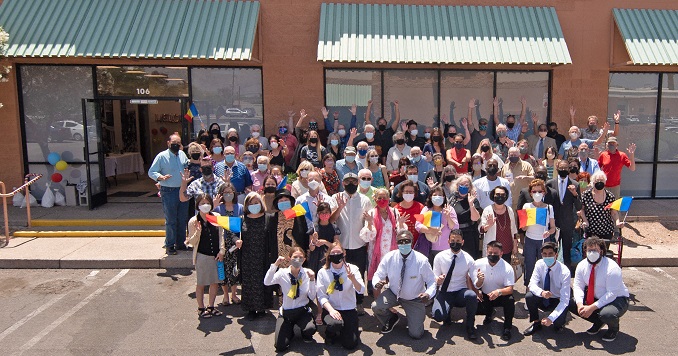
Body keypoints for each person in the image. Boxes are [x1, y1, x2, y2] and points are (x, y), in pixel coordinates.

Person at [371, 230, 437, 338]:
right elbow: (378, 274)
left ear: (411, 242)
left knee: (416, 334)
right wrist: (377, 283)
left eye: (407, 241)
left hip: (414, 299)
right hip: (394, 294)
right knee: (376, 306)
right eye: (401, 241)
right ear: (397, 243)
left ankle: (414, 318)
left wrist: (428, 294)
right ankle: (392, 318)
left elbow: (431, 281)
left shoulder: (421, 260)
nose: (404, 244)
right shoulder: (389, 257)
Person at [572, 238, 630, 342]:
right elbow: (578, 286)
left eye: (595, 250)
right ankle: (598, 322)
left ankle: (613, 329)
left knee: (607, 314)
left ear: (601, 251)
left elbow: (612, 293)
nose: (592, 253)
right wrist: (580, 304)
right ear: (585, 251)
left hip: (617, 299)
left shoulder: (612, 268)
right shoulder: (582, 265)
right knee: (571, 302)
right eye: (589, 250)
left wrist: (591, 308)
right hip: (596, 297)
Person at [330, 172, 373, 313]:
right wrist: (340, 207)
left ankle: (359, 302)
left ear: (358, 183)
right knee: (341, 274)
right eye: (347, 181)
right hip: (341, 246)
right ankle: (341, 302)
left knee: (359, 273)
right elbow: (330, 220)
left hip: (358, 245)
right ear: (343, 183)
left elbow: (368, 221)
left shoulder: (365, 200)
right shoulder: (336, 198)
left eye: (354, 182)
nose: (351, 184)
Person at [264, 248, 317, 351]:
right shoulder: (283, 273)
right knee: (280, 346)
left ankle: (304, 332)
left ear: (304, 259)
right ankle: (290, 331)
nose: (297, 259)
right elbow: (267, 282)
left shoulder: (307, 273)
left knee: (310, 329)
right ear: (289, 258)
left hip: (302, 311)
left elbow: (312, 296)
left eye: (300, 257)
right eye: (295, 257)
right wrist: (275, 265)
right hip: (287, 312)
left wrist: (312, 280)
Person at [316, 242, 365, 349]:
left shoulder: (353, 269)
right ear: (329, 255)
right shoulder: (323, 272)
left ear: (344, 253)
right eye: (333, 252)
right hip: (332, 309)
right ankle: (330, 333)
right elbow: (321, 296)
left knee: (350, 344)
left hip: (349, 309)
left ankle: (347, 328)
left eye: (339, 252)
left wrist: (353, 279)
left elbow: (361, 290)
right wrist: (331, 310)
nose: (336, 254)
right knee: (334, 324)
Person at [431, 229, 478, 339]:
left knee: (471, 295)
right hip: (445, 292)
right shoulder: (439, 257)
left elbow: (476, 282)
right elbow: (434, 276)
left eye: (458, 240)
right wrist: (438, 280)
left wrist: (479, 280)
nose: (455, 243)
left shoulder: (468, 259)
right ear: (448, 241)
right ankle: (446, 314)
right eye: (453, 240)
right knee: (438, 316)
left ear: (462, 242)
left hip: (460, 292)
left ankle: (470, 325)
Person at [148, 133, 189, 255]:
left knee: (182, 218)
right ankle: (170, 244)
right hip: (169, 191)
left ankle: (180, 243)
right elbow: (151, 171)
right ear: (168, 143)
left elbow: (187, 166)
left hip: (182, 190)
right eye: (174, 143)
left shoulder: (182, 154)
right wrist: (160, 177)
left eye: (178, 143)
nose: (176, 145)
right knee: (171, 219)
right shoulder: (162, 156)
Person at [186, 194, 226, 318]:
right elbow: (191, 243)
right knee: (201, 283)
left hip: (215, 255)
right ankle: (201, 307)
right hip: (202, 255)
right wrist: (197, 233)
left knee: (214, 282)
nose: (205, 205)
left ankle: (211, 306)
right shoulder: (194, 220)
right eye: (202, 203)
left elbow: (221, 235)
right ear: (198, 205)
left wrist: (222, 251)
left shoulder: (216, 217)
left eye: (207, 203)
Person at [471, 241, 516, 341]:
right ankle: (486, 316)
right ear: (486, 252)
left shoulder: (507, 268)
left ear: (501, 253)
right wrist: (478, 285)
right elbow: (470, 279)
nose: (492, 255)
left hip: (499, 296)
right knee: (472, 303)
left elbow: (510, 289)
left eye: (495, 253)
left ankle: (507, 328)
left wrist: (498, 292)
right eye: (490, 253)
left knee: (510, 300)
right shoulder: (478, 263)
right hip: (484, 295)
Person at [362, 188, 407, 289]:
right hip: (375, 250)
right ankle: (373, 292)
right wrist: (369, 223)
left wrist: (400, 223)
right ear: (375, 199)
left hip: (392, 251)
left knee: (392, 272)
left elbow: (401, 233)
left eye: (384, 198)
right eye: (379, 198)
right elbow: (368, 237)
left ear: (389, 199)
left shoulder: (395, 212)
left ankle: (392, 292)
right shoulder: (371, 213)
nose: (382, 200)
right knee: (375, 275)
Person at [523, 242, 571, 336]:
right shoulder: (539, 264)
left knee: (558, 324)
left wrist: (551, 318)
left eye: (550, 254)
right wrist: (542, 293)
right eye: (544, 254)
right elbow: (531, 284)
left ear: (556, 255)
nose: (547, 256)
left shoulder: (565, 272)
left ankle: (558, 324)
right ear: (541, 255)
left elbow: (565, 300)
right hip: (543, 296)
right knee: (529, 296)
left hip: (556, 299)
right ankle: (536, 323)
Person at [239, 192, 273, 319]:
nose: (254, 205)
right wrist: (237, 241)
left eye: (256, 202)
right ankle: (250, 309)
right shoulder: (242, 218)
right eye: (251, 203)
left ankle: (262, 308)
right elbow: (234, 234)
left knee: (263, 281)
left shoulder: (268, 218)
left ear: (261, 203)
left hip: (263, 255)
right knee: (249, 282)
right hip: (247, 256)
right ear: (247, 205)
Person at [520, 179, 557, 288]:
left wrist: (548, 232)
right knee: (529, 265)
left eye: (540, 191)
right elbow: (523, 228)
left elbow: (553, 228)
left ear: (544, 192)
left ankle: (543, 287)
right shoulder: (526, 206)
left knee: (544, 265)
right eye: (534, 191)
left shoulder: (549, 207)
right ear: (530, 193)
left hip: (544, 240)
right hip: (530, 240)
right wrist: (527, 223)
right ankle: (529, 288)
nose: (537, 194)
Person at [308, 202, 340, 324]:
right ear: (318, 214)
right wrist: (314, 241)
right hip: (316, 258)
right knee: (318, 285)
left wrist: (325, 242)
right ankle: (320, 312)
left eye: (326, 212)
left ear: (330, 213)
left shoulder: (334, 227)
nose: (324, 215)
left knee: (330, 283)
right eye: (321, 213)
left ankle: (332, 308)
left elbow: (336, 246)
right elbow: (310, 248)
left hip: (329, 258)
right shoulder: (314, 227)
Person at [212, 183, 243, 305]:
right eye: (225, 193)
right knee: (223, 269)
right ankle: (225, 295)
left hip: (236, 243)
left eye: (230, 192)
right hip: (222, 244)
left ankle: (234, 294)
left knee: (235, 269)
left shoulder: (239, 207)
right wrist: (213, 207)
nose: (228, 195)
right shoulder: (218, 209)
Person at [547, 160, 582, 267]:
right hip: (554, 222)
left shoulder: (575, 184)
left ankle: (567, 272)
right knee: (552, 248)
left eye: (565, 168)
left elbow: (579, 206)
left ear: (568, 169)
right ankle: (551, 269)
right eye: (561, 168)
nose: (563, 170)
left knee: (567, 248)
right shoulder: (550, 184)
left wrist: (575, 194)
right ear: (557, 169)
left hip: (568, 222)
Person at [415, 186, 458, 264]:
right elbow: (417, 225)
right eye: (435, 195)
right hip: (429, 248)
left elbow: (455, 227)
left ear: (444, 197)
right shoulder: (426, 209)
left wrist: (448, 217)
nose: (437, 197)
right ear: (431, 197)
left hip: (445, 248)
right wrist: (431, 230)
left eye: (440, 195)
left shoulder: (450, 209)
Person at [268, 189, 309, 268]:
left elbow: (304, 234)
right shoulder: (273, 217)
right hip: (279, 258)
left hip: (297, 256)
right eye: (281, 201)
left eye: (286, 200)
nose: (283, 202)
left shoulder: (298, 215)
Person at [580, 171, 624, 241]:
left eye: (601, 180)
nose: (599, 182)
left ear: (605, 182)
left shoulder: (610, 196)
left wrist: (617, 222)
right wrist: (585, 221)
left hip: (606, 231)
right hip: (590, 231)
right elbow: (581, 210)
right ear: (593, 182)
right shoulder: (586, 195)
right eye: (597, 180)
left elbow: (614, 212)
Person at [479, 186, 518, 260]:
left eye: (503, 195)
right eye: (497, 194)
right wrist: (488, 225)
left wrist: (515, 245)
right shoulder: (487, 210)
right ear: (493, 195)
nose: (500, 197)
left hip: (507, 248)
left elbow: (514, 230)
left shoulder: (509, 210)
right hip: (493, 250)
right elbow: (481, 230)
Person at [449, 175, 482, 259]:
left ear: (470, 187)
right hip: (454, 234)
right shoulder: (452, 199)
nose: (464, 186)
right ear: (457, 185)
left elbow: (475, 218)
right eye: (462, 184)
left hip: (469, 235)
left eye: (467, 185)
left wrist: (471, 205)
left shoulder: (474, 200)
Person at [501, 146, 535, 213]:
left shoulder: (526, 165)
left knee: (522, 221)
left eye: (515, 155)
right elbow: (501, 182)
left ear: (519, 155)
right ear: (508, 155)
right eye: (511, 155)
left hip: (522, 200)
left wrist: (525, 177)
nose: (513, 156)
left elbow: (534, 178)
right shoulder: (505, 167)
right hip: (509, 201)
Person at [392, 180, 424, 245]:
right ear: (402, 193)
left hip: (417, 245)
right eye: (406, 192)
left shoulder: (420, 207)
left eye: (411, 192)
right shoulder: (395, 209)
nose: (408, 194)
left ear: (414, 193)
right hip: (401, 245)